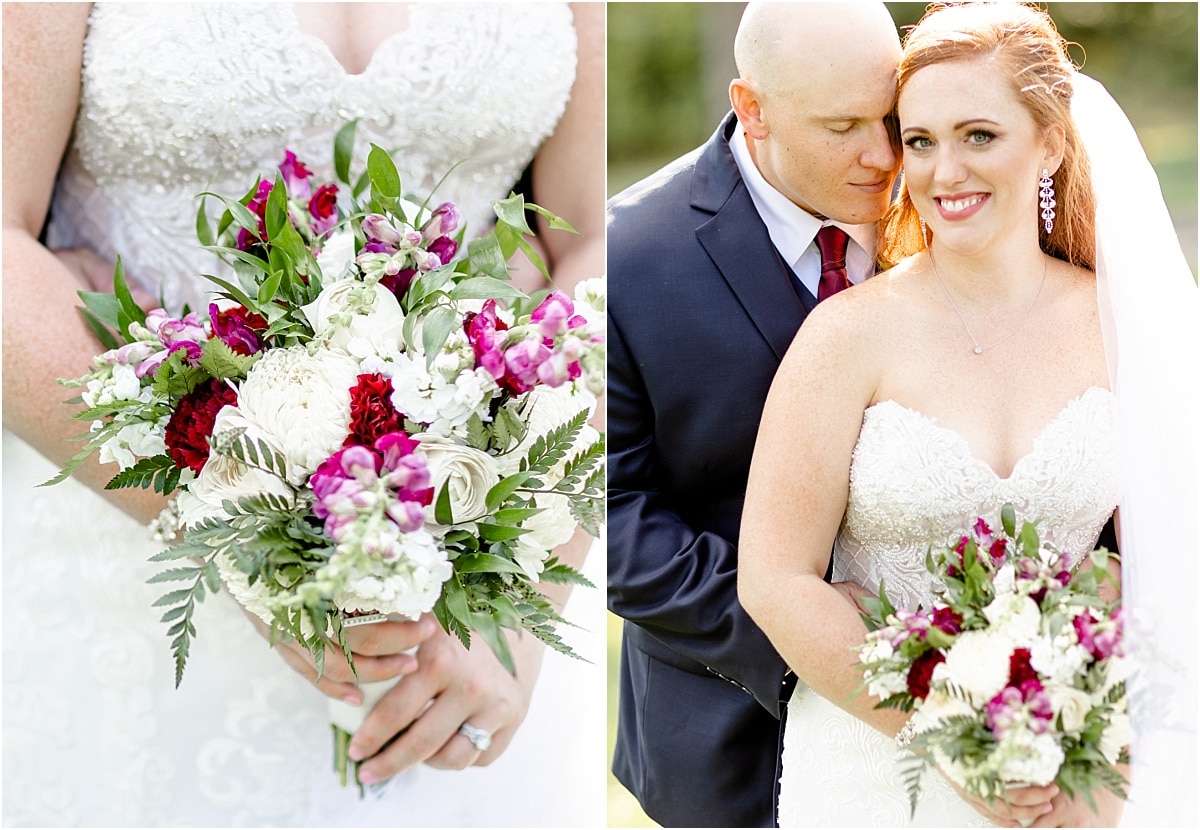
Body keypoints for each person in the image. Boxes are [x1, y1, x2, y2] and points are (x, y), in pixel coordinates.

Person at [2, 3, 605, 825]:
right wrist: (237, 529)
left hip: (469, 598)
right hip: (127, 536)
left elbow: (593, 241)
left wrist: (530, 583)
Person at [739, 2, 1198, 827]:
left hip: (1068, 776)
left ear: (1051, 142)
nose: (945, 171)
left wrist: (1105, 769)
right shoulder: (846, 335)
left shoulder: (1121, 329)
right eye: (921, 141)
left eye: (979, 136)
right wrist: (952, 741)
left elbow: (1166, 575)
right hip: (874, 767)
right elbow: (774, 578)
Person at [606, 4, 902, 826]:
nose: (883, 156)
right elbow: (612, 516)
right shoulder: (626, 258)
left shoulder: (948, 206)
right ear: (753, 107)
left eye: (891, 115)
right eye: (843, 126)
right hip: (724, 736)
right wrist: (811, 633)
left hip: (945, 718)